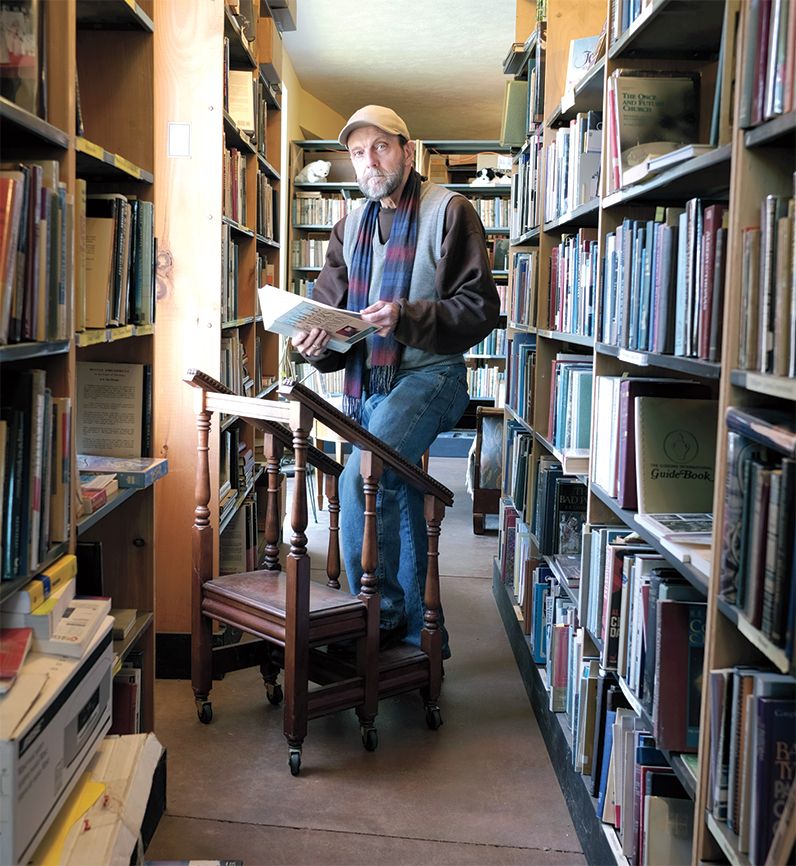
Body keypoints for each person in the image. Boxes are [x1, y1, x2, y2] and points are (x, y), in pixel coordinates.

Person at [291, 105, 500, 658]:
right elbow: (331, 317)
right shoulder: (348, 226)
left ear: (408, 149)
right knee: (402, 489)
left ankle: (377, 619)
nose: (368, 161)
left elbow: (480, 310)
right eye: (357, 153)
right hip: (369, 385)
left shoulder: (449, 210)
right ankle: (420, 637)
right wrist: (315, 343)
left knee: (368, 474)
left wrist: (405, 316)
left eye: (380, 146)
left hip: (432, 376)